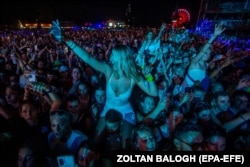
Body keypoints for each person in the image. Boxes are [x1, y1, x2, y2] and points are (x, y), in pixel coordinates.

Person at [50, 20, 158, 149]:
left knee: (125, 145)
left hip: (126, 111)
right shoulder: (108, 71)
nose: (110, 58)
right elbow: (88, 58)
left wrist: (149, 77)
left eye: (113, 56)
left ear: (121, 58)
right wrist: (67, 40)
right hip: (108, 107)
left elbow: (153, 93)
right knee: (95, 140)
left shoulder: (133, 77)